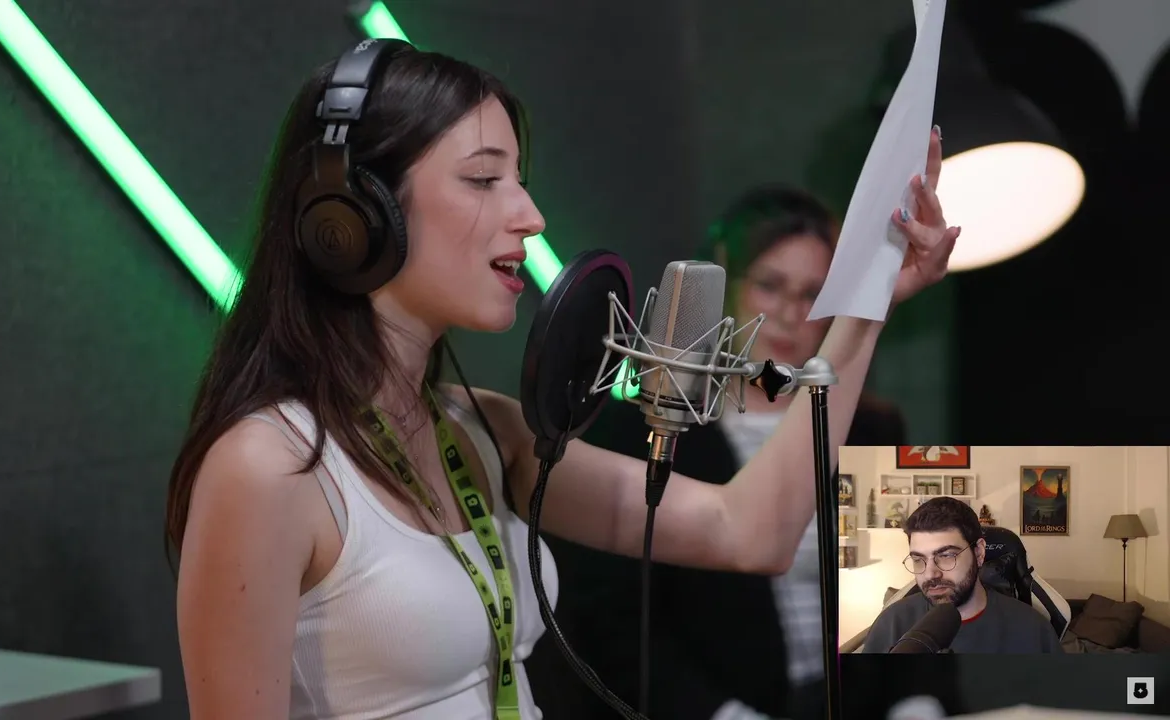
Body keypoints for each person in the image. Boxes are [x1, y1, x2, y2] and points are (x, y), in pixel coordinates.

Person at [165, 37, 959, 720]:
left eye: (519, 177)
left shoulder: (484, 430)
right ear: (356, 214)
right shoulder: (267, 467)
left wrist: (867, 303)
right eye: (484, 179)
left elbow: (749, 531)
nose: (530, 214)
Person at [533, 187, 908, 720]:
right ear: (727, 285)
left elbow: (914, 590)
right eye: (770, 286)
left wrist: (917, 702)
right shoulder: (644, 430)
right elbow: (612, 621)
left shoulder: (872, 427)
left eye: (812, 295)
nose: (790, 314)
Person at [860, 498, 1064, 654]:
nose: (930, 573)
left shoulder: (1031, 629)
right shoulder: (892, 624)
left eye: (946, 556)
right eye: (918, 559)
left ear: (979, 553)